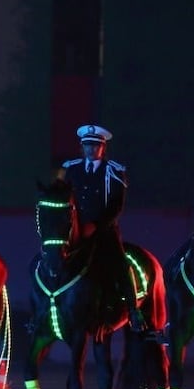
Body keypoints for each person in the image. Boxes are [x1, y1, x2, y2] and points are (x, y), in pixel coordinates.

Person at [57, 124, 146, 331]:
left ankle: (133, 310)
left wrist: (96, 226)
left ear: (103, 148)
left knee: (121, 264)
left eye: (95, 146)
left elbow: (116, 205)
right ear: (82, 147)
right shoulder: (72, 168)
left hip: (104, 231)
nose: (91, 149)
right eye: (87, 145)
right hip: (76, 231)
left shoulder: (114, 170)